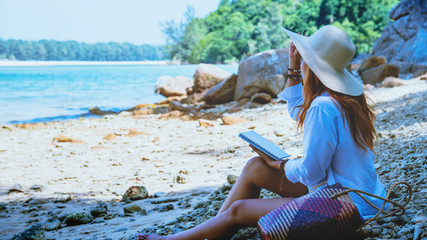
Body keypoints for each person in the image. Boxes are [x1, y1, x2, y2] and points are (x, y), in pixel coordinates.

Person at [137, 25, 386, 240]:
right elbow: (298, 108)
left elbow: (312, 172)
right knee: (255, 167)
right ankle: (210, 230)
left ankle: (175, 239)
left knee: (240, 210)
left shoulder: (323, 107)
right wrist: (293, 64)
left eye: (304, 60)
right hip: (356, 193)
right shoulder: (343, 99)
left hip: (346, 205)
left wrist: (280, 164)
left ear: (312, 66)